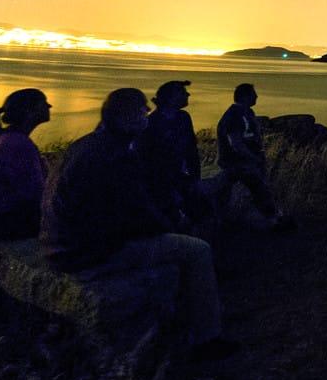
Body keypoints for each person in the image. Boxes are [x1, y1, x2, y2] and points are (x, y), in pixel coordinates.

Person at [41, 87, 238, 360]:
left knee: (178, 236)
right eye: (141, 109)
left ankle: (191, 312)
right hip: (87, 255)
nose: (147, 112)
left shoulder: (87, 145)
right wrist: (172, 224)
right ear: (125, 117)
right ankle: (208, 337)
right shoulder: (116, 156)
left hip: (62, 246)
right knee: (197, 250)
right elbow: (138, 216)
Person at [0, 88, 52, 240]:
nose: (49, 106)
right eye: (44, 103)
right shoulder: (17, 144)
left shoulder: (10, 138)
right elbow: (35, 193)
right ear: (29, 111)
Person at [216, 83, 293, 231]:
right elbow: (236, 142)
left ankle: (270, 218)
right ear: (245, 96)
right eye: (253, 94)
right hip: (238, 163)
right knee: (259, 189)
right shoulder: (235, 115)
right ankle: (273, 220)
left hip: (246, 161)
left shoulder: (247, 113)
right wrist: (252, 158)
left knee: (255, 189)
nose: (256, 97)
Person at [139, 79, 202, 228]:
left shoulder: (184, 118)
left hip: (184, 179)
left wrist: (195, 178)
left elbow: (191, 150)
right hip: (161, 184)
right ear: (171, 97)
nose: (188, 94)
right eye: (182, 92)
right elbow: (149, 160)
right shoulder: (151, 123)